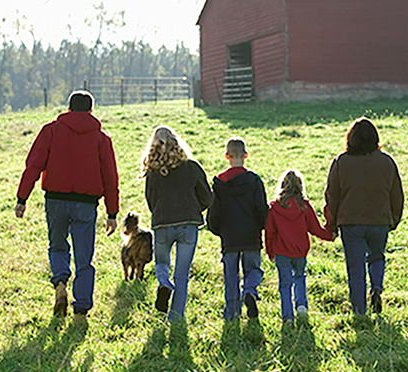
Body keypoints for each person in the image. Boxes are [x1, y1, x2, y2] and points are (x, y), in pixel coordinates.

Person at [15, 90, 119, 323]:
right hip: (86, 204)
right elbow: (111, 178)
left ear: (69, 108)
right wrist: (112, 213)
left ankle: (61, 282)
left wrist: (22, 198)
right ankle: (80, 311)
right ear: (91, 110)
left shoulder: (50, 131)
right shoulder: (102, 139)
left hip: (55, 200)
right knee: (85, 258)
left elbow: (33, 166)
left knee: (58, 246)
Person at [324, 117, 404, 317]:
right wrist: (393, 220)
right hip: (380, 221)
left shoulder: (341, 162)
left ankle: (360, 312)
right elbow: (397, 195)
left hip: (350, 223)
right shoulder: (387, 162)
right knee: (377, 257)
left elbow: (332, 195)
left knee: (356, 268)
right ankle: (376, 288)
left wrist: (331, 224)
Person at [141, 125, 213, 321]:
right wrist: (194, 208)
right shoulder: (191, 167)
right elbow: (207, 198)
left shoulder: (152, 172)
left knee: (162, 263)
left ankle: (164, 283)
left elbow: (151, 200)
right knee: (182, 274)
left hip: (162, 224)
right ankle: (176, 317)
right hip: (188, 224)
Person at [207, 138, 268, 320]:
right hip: (251, 235)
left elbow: (214, 214)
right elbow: (261, 209)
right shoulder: (254, 181)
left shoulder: (218, 183)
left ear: (227, 156)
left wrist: (218, 230)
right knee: (254, 269)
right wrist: (263, 226)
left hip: (229, 236)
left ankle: (232, 313)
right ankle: (249, 290)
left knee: (230, 277)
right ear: (246, 155)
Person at [265, 169, 334, 324]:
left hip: (281, 252)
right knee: (300, 277)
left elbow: (269, 233)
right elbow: (316, 229)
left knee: (284, 285)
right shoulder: (304, 206)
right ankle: (301, 305)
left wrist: (270, 252)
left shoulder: (274, 208)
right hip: (300, 251)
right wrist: (330, 236)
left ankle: (287, 316)